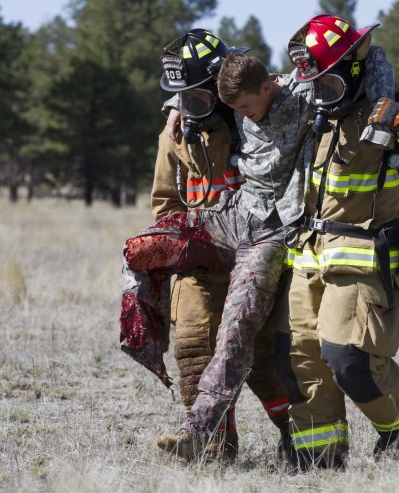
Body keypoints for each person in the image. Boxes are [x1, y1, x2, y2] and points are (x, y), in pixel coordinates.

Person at [120, 48, 318, 462]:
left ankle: (297, 436)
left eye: (198, 97)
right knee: (193, 346)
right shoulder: (174, 134)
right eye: (183, 98)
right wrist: (176, 108)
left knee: (263, 357)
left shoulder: (247, 116)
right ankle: (213, 449)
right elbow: (165, 206)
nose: (191, 107)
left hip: (258, 248)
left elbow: (275, 83)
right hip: (201, 257)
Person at [279, 14, 399, 469]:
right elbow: (249, 95)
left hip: (364, 262)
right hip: (308, 259)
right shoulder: (313, 109)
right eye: (315, 84)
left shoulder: (398, 108)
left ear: (354, 68)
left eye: (330, 85)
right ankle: (321, 457)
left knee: (348, 358)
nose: (321, 95)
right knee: (300, 359)